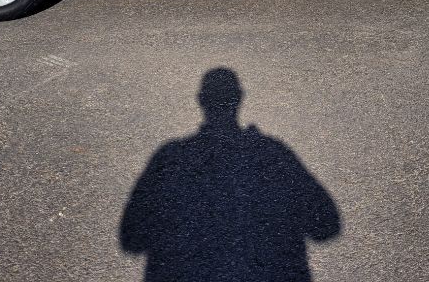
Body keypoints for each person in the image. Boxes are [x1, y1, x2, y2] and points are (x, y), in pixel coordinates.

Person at [119, 68, 341, 282]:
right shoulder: (273, 157)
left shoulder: (170, 160)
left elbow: (131, 239)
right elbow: (326, 225)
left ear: (201, 100)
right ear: (239, 98)